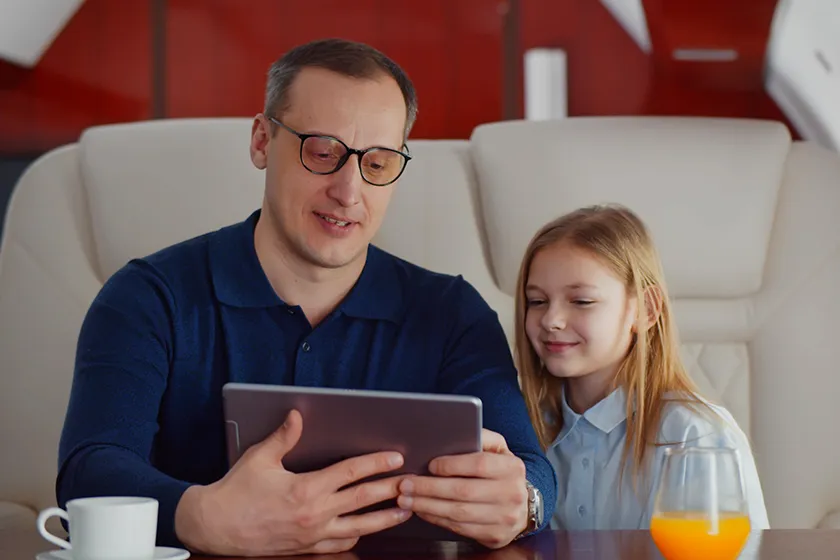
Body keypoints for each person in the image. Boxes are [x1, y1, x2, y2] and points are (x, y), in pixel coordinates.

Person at [56, 38, 555, 556]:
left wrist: (525, 503)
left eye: (378, 164)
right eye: (323, 152)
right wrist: (201, 515)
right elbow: (88, 471)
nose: (349, 191)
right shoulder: (147, 298)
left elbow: (531, 467)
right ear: (261, 142)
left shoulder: (452, 313)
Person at [513, 204, 769, 530]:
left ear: (646, 310)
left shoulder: (694, 438)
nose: (551, 320)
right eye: (537, 301)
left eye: (581, 301)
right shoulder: (520, 429)